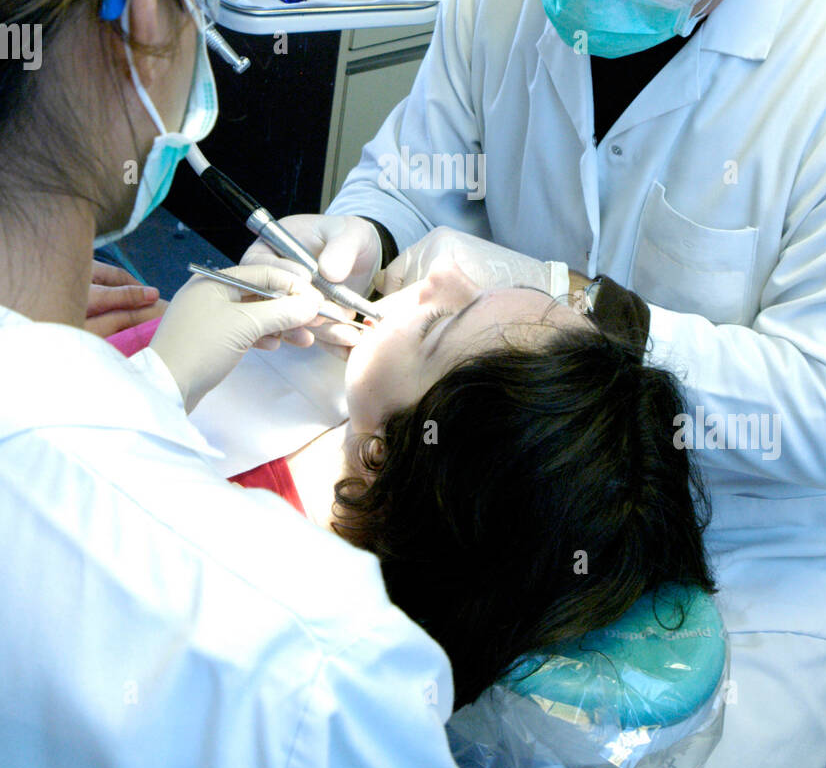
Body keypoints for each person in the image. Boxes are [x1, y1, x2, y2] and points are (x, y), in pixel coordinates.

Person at [244, 0, 826, 768]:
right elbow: (421, 170)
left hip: (747, 564)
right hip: (514, 524)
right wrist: (361, 230)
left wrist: (584, 301)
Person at [0, 0, 513, 768]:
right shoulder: (313, 660)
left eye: (463, 319)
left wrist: (109, 391)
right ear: (146, 3)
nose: (425, 293)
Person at [210, 266, 716, 711]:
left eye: (438, 325)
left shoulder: (232, 581)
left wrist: (150, 372)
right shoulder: (344, 392)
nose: (442, 275)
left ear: (388, 459)